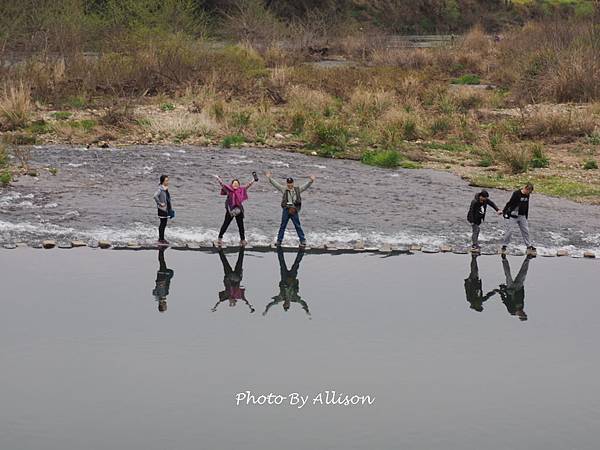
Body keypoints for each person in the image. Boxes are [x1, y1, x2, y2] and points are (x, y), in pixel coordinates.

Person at [265, 171, 315, 247]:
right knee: (283, 226)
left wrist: (311, 181)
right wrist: (269, 178)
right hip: (286, 210)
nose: (290, 184)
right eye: (288, 183)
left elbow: (305, 186)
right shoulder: (283, 189)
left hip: (294, 210)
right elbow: (276, 184)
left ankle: (302, 240)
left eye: (291, 183)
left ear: (293, 183)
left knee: (297, 225)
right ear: (287, 183)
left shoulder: (297, 190)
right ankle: (279, 241)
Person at [263, 247, 310, 317]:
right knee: (296, 264)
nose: (286, 304)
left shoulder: (281, 298)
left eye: (285, 305)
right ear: (289, 305)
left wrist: (266, 309)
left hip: (284, 278)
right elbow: (302, 302)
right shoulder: (294, 298)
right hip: (292, 278)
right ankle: (302, 250)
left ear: (283, 304)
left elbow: (272, 303)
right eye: (287, 305)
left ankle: (279, 248)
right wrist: (306, 310)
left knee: (282, 262)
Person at [213, 175, 255, 247]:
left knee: (241, 226)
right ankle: (219, 239)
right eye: (234, 184)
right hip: (230, 210)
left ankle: (242, 240)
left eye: (237, 184)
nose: (235, 185)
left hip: (239, 210)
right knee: (225, 224)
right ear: (232, 185)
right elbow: (222, 185)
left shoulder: (241, 190)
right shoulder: (228, 190)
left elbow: (248, 185)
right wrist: (218, 179)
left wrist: (253, 180)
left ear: (239, 185)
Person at [211, 248, 255, 313]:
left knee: (236, 262)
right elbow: (246, 301)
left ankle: (241, 248)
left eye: (230, 302)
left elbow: (218, 302)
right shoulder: (237, 296)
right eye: (232, 302)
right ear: (234, 300)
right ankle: (221, 249)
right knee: (227, 262)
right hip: (232, 277)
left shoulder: (228, 296)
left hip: (232, 277)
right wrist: (250, 307)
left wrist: (214, 308)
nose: (231, 301)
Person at [496, 255, 533, 321]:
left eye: (523, 315)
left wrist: (501, 291)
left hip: (510, 289)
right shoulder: (521, 307)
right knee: (523, 273)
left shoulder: (511, 310)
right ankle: (527, 259)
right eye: (524, 314)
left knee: (508, 274)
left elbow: (505, 301)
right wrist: (522, 287)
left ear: (519, 316)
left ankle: (504, 259)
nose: (523, 313)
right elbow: (522, 297)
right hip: (519, 287)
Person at [501, 183, 536, 253]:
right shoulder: (516, 193)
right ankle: (504, 246)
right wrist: (504, 212)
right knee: (509, 231)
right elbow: (510, 203)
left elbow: (527, 205)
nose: (529, 193)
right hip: (513, 215)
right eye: (529, 192)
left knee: (526, 231)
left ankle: (528, 246)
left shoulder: (527, 195)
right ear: (526, 189)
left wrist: (526, 216)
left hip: (522, 216)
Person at [153, 174, 173, 246]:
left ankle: (162, 238)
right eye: (166, 180)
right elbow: (155, 196)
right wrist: (160, 203)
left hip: (166, 209)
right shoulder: (160, 189)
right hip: (162, 209)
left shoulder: (165, 188)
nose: (168, 182)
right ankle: (161, 239)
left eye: (168, 180)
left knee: (164, 224)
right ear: (162, 181)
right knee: (162, 224)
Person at [152, 248, 174, 313]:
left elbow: (157, 288)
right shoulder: (163, 295)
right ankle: (161, 251)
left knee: (162, 262)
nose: (166, 305)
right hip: (163, 277)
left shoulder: (160, 295)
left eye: (165, 307)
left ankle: (161, 250)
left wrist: (161, 283)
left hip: (162, 277)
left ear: (161, 305)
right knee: (162, 262)